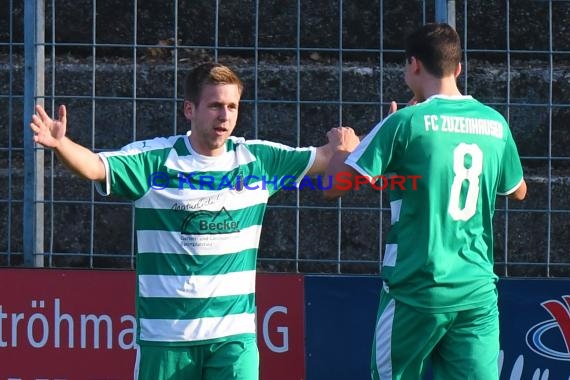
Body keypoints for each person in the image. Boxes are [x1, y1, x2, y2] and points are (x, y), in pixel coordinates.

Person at [30, 62, 360, 380]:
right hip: (167, 338)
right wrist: (61, 145)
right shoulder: (154, 161)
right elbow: (95, 167)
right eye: (215, 105)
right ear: (190, 109)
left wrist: (346, 144)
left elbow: (327, 159)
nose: (225, 115)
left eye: (232, 106)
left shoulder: (259, 161)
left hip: (233, 337)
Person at [323, 23, 527, 380]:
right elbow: (518, 190)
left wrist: (346, 145)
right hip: (476, 291)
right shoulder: (495, 124)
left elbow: (333, 186)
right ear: (458, 68)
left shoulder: (404, 123)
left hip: (416, 291)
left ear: (413, 65)